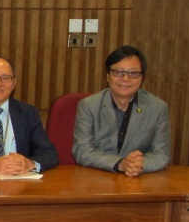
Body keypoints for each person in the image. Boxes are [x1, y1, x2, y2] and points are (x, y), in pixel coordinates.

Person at [73, 46, 170, 176]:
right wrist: (120, 164)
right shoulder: (89, 106)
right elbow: (82, 150)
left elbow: (161, 154)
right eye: (118, 72)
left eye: (133, 73)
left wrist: (137, 165)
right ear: (108, 76)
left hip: (139, 180)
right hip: (98, 178)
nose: (125, 79)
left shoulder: (157, 107)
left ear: (142, 78)